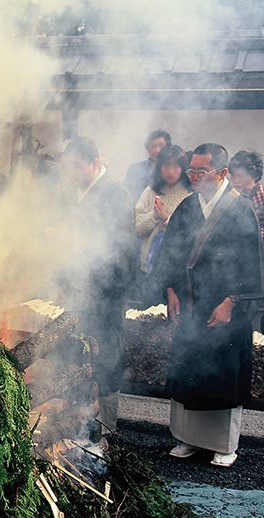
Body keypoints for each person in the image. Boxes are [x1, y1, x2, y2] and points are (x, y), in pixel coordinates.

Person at [159, 143, 264, 468]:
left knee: (223, 375)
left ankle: (224, 445)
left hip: (224, 308)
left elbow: (252, 264)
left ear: (222, 173)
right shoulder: (189, 206)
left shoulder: (240, 209)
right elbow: (172, 251)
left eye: (200, 172)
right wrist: (171, 290)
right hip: (191, 304)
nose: (192, 177)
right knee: (189, 373)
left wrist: (232, 302)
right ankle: (188, 439)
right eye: (191, 170)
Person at [59, 136, 135, 435]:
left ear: (95, 162)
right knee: (78, 350)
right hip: (79, 285)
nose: (71, 172)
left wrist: (69, 240)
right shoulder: (74, 191)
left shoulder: (115, 193)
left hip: (106, 288)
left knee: (105, 354)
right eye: (68, 167)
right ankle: (78, 421)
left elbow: (115, 245)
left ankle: (106, 427)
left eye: (77, 166)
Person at [134, 145, 191, 303]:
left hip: (176, 271)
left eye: (175, 166)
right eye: (166, 166)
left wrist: (166, 220)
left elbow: (189, 232)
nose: (170, 171)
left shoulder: (190, 194)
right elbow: (138, 227)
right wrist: (154, 217)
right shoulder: (150, 191)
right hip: (148, 267)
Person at [229, 150, 264, 251]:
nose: (236, 180)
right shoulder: (229, 198)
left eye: (241, 176)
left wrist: (249, 231)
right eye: (233, 175)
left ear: (254, 176)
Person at [123, 129, 171, 201]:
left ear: (168, 148)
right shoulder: (135, 169)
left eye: (161, 146)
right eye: (153, 146)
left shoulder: (174, 171)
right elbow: (126, 195)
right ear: (148, 149)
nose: (157, 150)